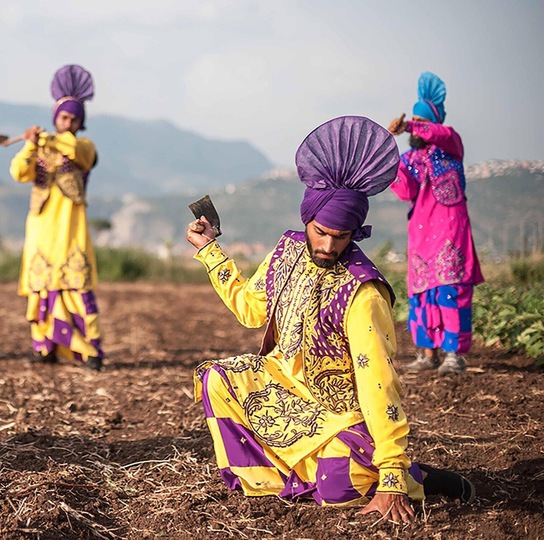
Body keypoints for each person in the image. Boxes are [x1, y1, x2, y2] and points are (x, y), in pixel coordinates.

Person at [187, 116, 474, 523]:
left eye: (341, 236)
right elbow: (251, 311)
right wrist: (210, 251)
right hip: (285, 390)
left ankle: (416, 478)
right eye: (321, 232)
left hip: (341, 415)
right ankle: (293, 474)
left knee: (339, 490)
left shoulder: (364, 292)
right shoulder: (287, 251)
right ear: (307, 219)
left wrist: (391, 472)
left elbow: (380, 382)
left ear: (355, 232)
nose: (328, 245)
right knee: (216, 378)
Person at [9, 64, 103, 370]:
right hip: (41, 230)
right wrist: (29, 145)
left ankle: (88, 351)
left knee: (76, 289)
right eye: (64, 117)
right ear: (55, 116)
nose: (69, 122)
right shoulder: (39, 147)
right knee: (41, 290)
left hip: (71, 230)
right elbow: (19, 172)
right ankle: (43, 347)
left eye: (75, 118)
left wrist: (49, 138)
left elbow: (79, 153)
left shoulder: (84, 146)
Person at [388, 72, 483, 375]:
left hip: (450, 234)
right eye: (414, 120)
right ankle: (428, 354)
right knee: (423, 295)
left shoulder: (451, 144)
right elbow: (405, 190)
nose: (416, 128)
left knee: (450, 291)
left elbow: (440, 135)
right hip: (421, 233)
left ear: (433, 123)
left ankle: (454, 355)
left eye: (422, 121)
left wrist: (410, 125)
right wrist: (388, 159)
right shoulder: (409, 158)